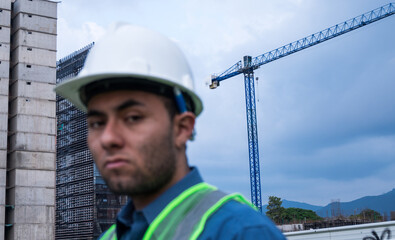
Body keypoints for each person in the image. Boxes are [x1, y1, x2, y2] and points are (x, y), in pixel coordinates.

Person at [55, 23, 286, 240]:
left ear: (182, 128)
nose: (108, 138)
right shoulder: (111, 236)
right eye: (97, 123)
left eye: (133, 118)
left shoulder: (240, 232)